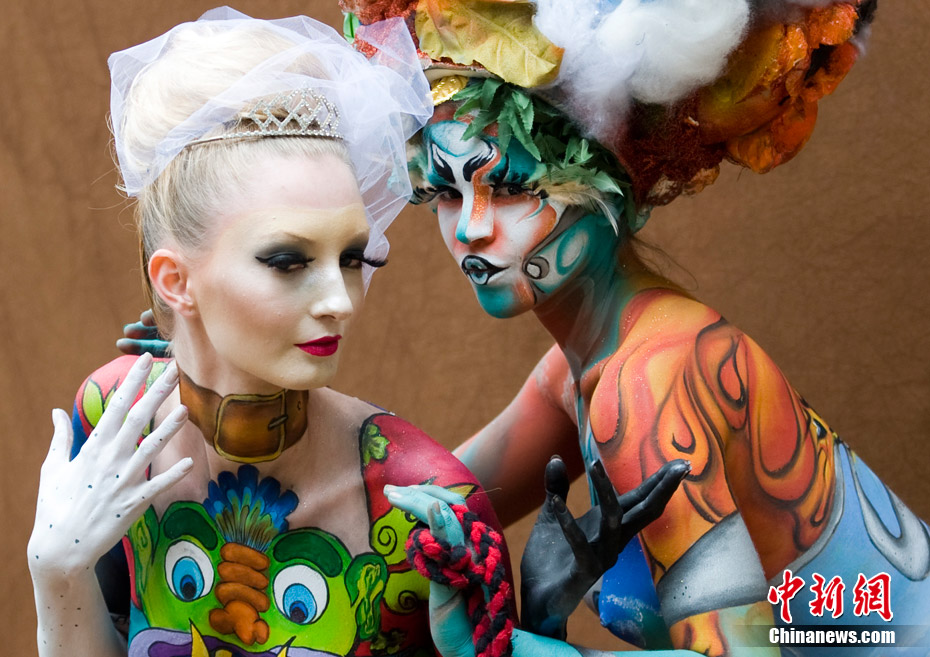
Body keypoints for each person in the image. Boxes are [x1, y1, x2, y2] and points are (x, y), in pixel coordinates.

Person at [29, 8, 684, 657]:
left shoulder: (428, 514)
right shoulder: (113, 423)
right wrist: (56, 573)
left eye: (352, 257)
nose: (340, 301)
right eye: (288, 261)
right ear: (175, 282)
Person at [342, 0, 930, 655]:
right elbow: (419, 507)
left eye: (508, 186)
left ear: (616, 188)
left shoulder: (647, 382)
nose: (469, 229)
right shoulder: (583, 367)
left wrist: (500, 648)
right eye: (446, 193)